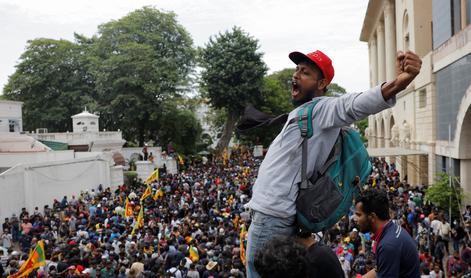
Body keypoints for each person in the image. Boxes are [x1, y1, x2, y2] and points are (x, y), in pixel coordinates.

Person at [246, 48, 422, 277]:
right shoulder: (303, 112)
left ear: (322, 83)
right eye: (296, 70)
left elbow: (352, 104)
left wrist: (399, 83)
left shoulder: (323, 109)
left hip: (272, 217)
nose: (296, 75)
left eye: (305, 72)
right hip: (271, 216)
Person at [354, 189, 420, 278]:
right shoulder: (391, 229)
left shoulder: (388, 246)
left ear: (372, 217)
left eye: (359, 215)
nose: (355, 219)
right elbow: (379, 270)